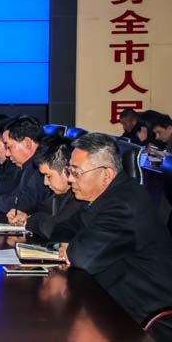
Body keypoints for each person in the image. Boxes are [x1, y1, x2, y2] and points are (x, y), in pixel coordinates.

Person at [54, 133, 172, 342]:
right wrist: (71, 244)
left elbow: (82, 257)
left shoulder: (123, 204)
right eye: (69, 171)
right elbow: (65, 229)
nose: (70, 178)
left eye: (76, 172)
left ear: (106, 175)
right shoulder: (104, 197)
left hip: (142, 317)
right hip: (111, 299)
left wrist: (71, 247)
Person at [6, 136, 84, 238]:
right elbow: (40, 210)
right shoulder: (58, 195)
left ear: (67, 171)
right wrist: (24, 216)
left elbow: (56, 229)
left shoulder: (79, 198)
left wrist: (31, 220)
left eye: (48, 176)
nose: (45, 182)